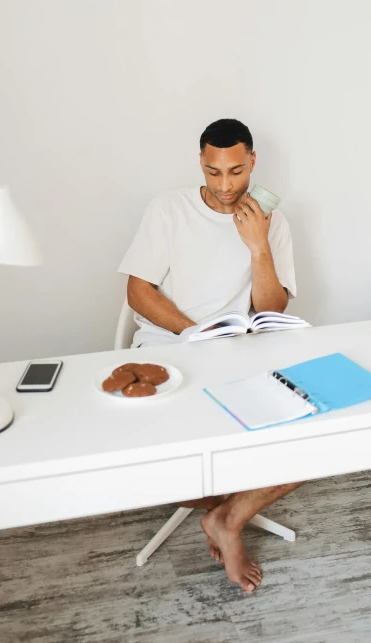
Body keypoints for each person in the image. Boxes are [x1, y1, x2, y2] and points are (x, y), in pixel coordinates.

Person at [118, 118, 302, 591]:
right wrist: (192, 331)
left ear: (253, 163)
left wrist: (259, 247)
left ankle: (228, 516)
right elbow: (138, 291)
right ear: (200, 163)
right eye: (214, 172)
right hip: (172, 344)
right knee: (158, 464)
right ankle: (225, 504)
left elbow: (272, 308)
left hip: (241, 350)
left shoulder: (271, 221)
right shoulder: (169, 209)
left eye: (237, 172)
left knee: (316, 439)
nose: (225, 186)